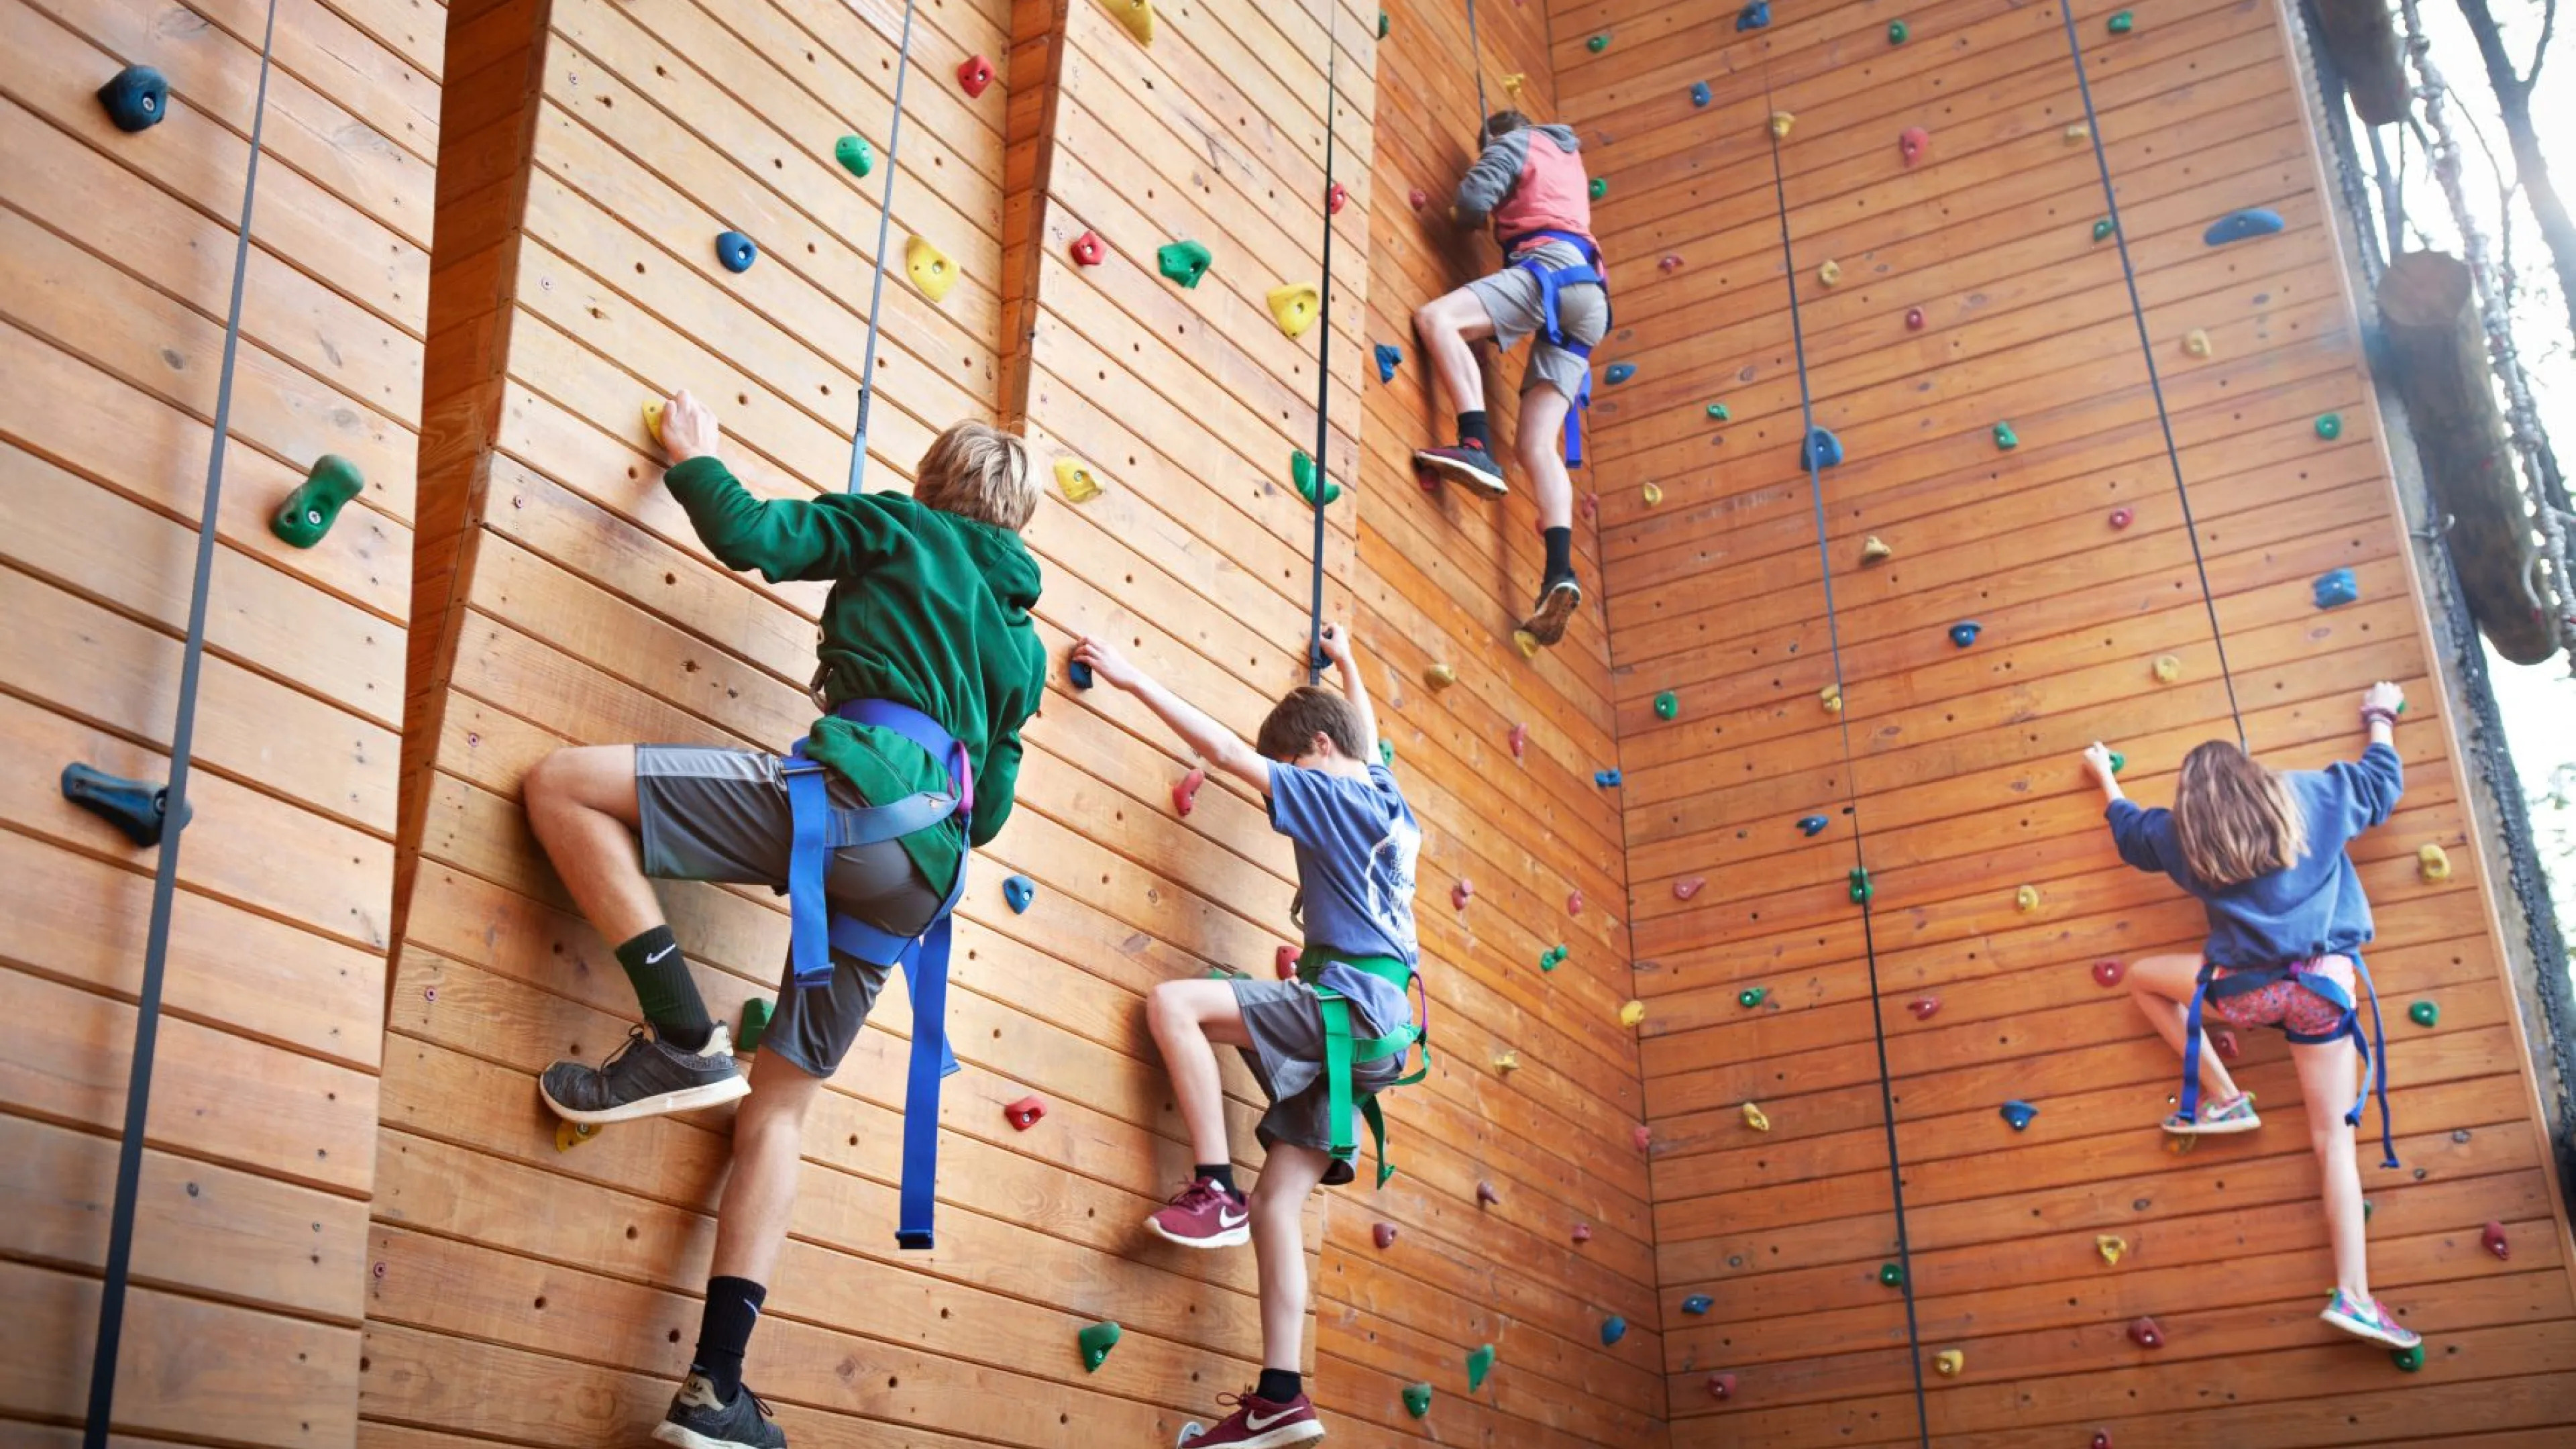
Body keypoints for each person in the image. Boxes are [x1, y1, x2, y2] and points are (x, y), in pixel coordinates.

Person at [521, 391, 1046, 1448]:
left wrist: (695, 457)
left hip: (847, 802)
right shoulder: (1024, 651)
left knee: (562, 787)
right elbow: (988, 812)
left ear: (934, 480)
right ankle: (717, 1392)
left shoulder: (897, 526)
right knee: (777, 1113)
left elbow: (753, 536)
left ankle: (678, 1032)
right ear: (1020, 521)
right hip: (920, 878)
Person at [1071, 622, 1424, 1448]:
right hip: (1381, 1040)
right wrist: (1351, 664)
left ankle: (1213, 1185)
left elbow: (1231, 753)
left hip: (1350, 1006)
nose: (1285, 802)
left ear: (1316, 752)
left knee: (1175, 1005)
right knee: (1282, 1207)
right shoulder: (1390, 803)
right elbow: (1363, 739)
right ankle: (1280, 1395)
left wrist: (1129, 679)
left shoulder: (1331, 793)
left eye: (1291, 776)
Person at [2083, 681, 2419, 1352]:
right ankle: (2353, 1295)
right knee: (2333, 1143)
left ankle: (2227, 1098)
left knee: (2146, 984)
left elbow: (2130, 832)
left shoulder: (2184, 836)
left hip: (2249, 993)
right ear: (2252, 775)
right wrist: (2380, 714)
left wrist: (2104, 777)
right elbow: (2382, 783)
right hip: (2325, 992)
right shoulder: (2312, 797)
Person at [1409, 109, 1607, 648]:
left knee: (1437, 320)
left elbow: (1473, 204)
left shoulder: (1515, 142)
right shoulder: (1568, 156)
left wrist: (1468, 215)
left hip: (1549, 273)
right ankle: (1559, 571)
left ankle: (1474, 439)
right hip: (1589, 297)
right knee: (1537, 445)